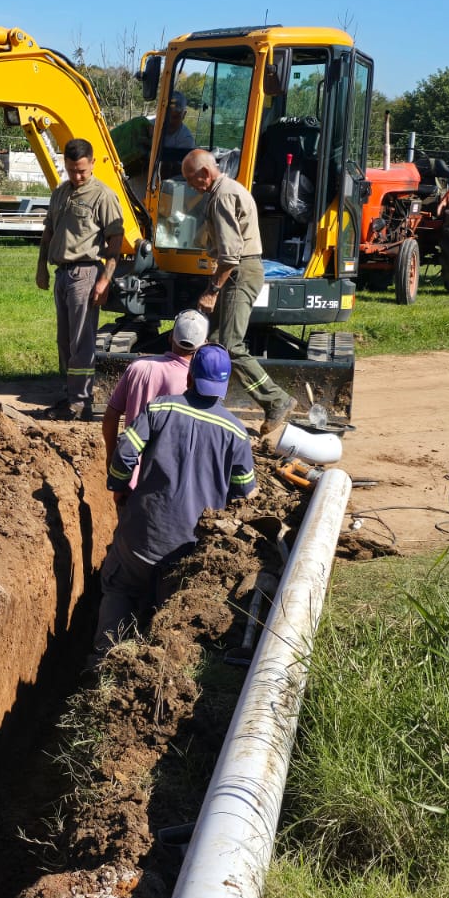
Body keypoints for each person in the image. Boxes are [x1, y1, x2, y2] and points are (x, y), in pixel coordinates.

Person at [92, 343, 257, 662]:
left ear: (190, 378)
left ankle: (103, 661)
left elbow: (125, 451)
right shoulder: (236, 433)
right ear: (224, 386)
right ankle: (156, 665)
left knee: (120, 588)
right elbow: (243, 495)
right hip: (190, 549)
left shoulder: (160, 409)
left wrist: (118, 485)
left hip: (142, 532)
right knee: (171, 611)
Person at [181, 148, 295, 433]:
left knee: (229, 345)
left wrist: (212, 290)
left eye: (191, 179)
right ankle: (208, 404)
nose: (190, 186)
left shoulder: (221, 197)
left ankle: (275, 399)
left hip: (239, 273)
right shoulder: (230, 189)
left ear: (205, 173)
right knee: (216, 342)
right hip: (242, 270)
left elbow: (230, 256)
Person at [35, 138, 126, 421]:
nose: (77, 176)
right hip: (62, 274)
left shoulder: (103, 196)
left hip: (86, 273)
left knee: (81, 341)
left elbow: (116, 241)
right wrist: (41, 267)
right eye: (72, 170)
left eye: (82, 171)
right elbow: (49, 231)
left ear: (93, 164)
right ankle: (69, 393)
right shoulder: (61, 192)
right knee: (64, 340)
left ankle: (80, 402)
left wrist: (105, 280)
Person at [102, 309, 208, 496]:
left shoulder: (138, 367)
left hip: (129, 476)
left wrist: (111, 455)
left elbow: (111, 416)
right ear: (203, 345)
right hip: (169, 486)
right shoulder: (195, 382)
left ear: (170, 338)